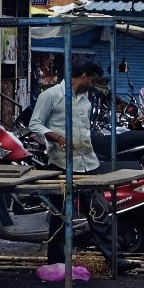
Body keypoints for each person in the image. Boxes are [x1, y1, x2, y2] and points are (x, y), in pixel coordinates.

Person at [31, 62, 132, 273]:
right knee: (60, 217)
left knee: (99, 213)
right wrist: (56, 137)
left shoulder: (85, 101)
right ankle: (56, 262)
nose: (93, 84)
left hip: (87, 163)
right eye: (93, 79)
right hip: (60, 164)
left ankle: (116, 260)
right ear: (85, 76)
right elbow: (35, 124)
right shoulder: (51, 95)